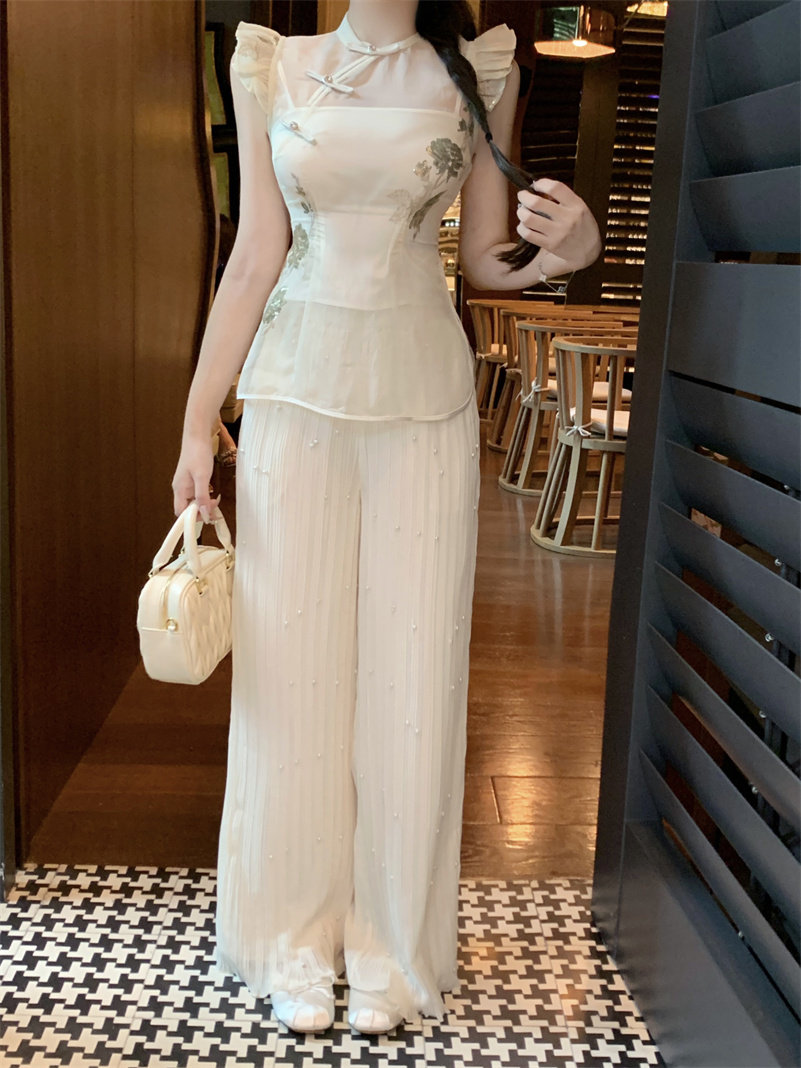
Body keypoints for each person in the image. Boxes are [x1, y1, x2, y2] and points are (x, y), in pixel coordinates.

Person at [171, 0, 601, 1038]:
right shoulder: (269, 64)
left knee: (413, 670)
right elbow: (255, 252)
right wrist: (194, 423)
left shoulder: (477, 70)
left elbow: (485, 258)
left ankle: (388, 945)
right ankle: (293, 936)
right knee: (289, 670)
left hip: (425, 402)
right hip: (293, 396)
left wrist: (566, 255)